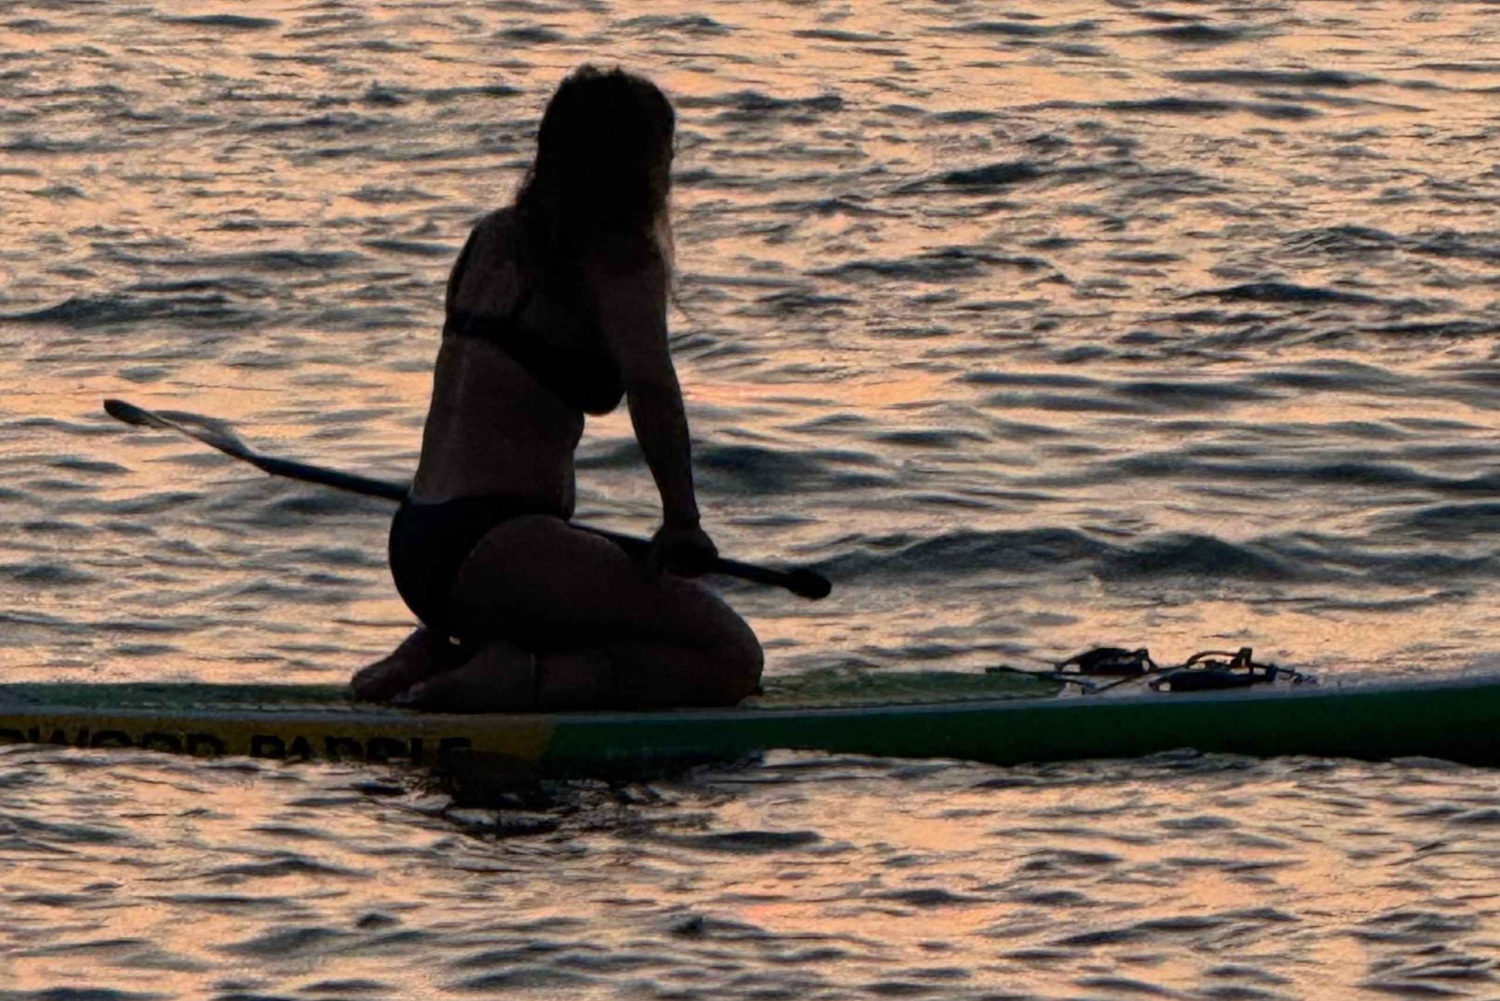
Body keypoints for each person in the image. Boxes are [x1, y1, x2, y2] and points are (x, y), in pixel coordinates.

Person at [351, 66, 763, 712]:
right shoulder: (619, 259)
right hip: (502, 550)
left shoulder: (491, 238)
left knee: (581, 595)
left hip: (420, 539)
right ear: (637, 167)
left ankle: (441, 651)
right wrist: (682, 521)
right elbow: (652, 387)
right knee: (729, 656)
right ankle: (517, 680)